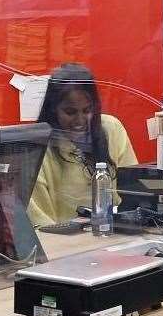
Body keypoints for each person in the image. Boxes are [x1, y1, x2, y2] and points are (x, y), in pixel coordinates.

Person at [26, 63, 139, 228]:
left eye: (87, 111)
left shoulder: (111, 129)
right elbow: (42, 226)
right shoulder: (37, 149)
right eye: (70, 112)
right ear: (53, 110)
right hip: (64, 246)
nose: (80, 121)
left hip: (113, 238)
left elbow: (134, 193)